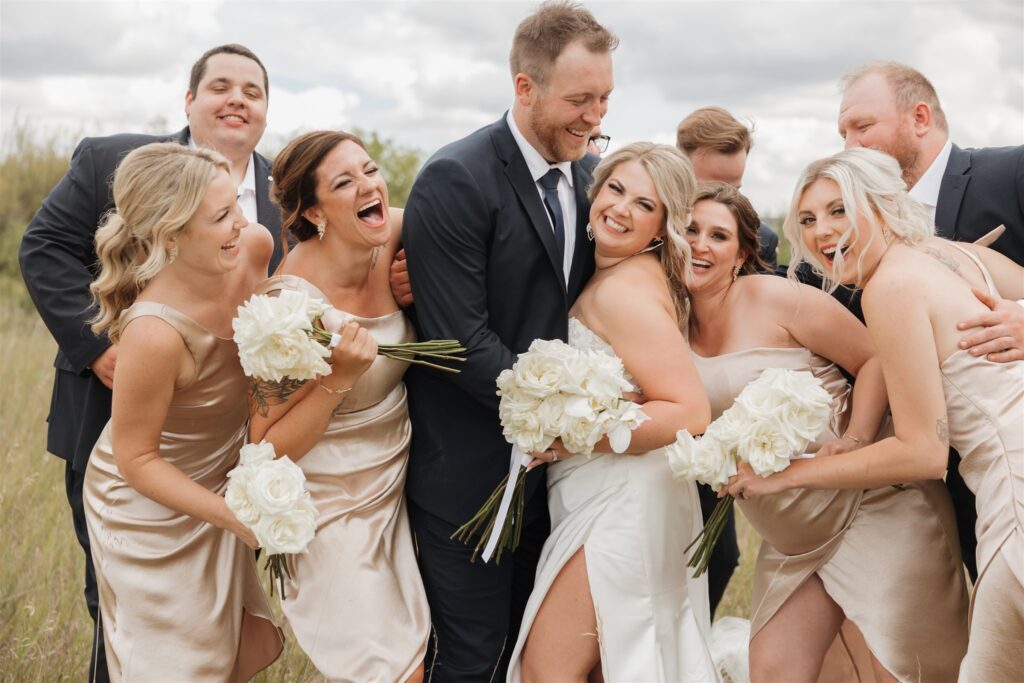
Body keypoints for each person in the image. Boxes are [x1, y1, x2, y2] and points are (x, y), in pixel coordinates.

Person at [17, 43, 281, 680]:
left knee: (223, 637)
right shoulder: (114, 161)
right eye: (220, 85)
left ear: (267, 110)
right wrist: (104, 350)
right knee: (131, 628)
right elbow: (43, 248)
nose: (237, 99)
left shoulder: (276, 197)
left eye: (253, 89)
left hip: (220, 457)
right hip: (119, 433)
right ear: (189, 101)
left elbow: (294, 284)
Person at [729, 147, 1023, 681]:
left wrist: (787, 476)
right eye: (809, 219)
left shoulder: (889, 288)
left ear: (882, 205)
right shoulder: (949, 254)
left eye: (840, 210)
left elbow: (922, 452)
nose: (822, 232)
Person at [401, 3, 616, 679]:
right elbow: (459, 339)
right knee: (473, 652)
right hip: (468, 469)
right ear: (525, 88)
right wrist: (564, 413)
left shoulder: (589, 178)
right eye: (579, 99)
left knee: (533, 646)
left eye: (605, 98)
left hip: (561, 472)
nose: (595, 116)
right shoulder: (456, 177)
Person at [687, 182, 968, 682]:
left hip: (872, 508)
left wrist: (858, 435)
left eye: (718, 235)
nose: (700, 245)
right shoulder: (673, 322)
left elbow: (875, 356)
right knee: (773, 673)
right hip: (794, 538)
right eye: (690, 231)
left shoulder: (778, 298)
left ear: (742, 254)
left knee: (902, 673)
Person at [507, 142, 717, 682]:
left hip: (626, 501)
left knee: (547, 670)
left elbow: (691, 411)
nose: (621, 209)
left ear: (662, 226)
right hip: (608, 490)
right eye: (616, 190)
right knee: (616, 665)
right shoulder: (618, 275)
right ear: (594, 192)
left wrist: (576, 433)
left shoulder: (624, 291)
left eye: (644, 205)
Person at [82, 142, 283, 680]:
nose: (241, 223)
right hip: (146, 505)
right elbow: (136, 457)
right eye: (221, 217)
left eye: (237, 204)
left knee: (218, 654)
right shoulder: (154, 332)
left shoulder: (256, 246)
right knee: (173, 663)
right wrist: (229, 514)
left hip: (218, 477)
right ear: (170, 236)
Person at [248, 130, 429, 682]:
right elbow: (265, 447)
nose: (367, 186)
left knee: (420, 658)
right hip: (331, 503)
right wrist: (339, 378)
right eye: (343, 182)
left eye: (370, 170)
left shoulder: (398, 231)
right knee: (391, 671)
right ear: (312, 211)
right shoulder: (286, 305)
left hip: (402, 487)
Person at [837, 60, 1024, 579]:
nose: (849, 145)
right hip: (951, 484)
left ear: (919, 117)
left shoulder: (1011, 172)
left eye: (862, 127)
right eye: (842, 133)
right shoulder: (857, 233)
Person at [676, 106, 779, 271]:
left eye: (734, 190)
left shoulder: (761, 243)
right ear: (678, 170)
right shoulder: (643, 229)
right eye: (707, 190)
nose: (721, 199)